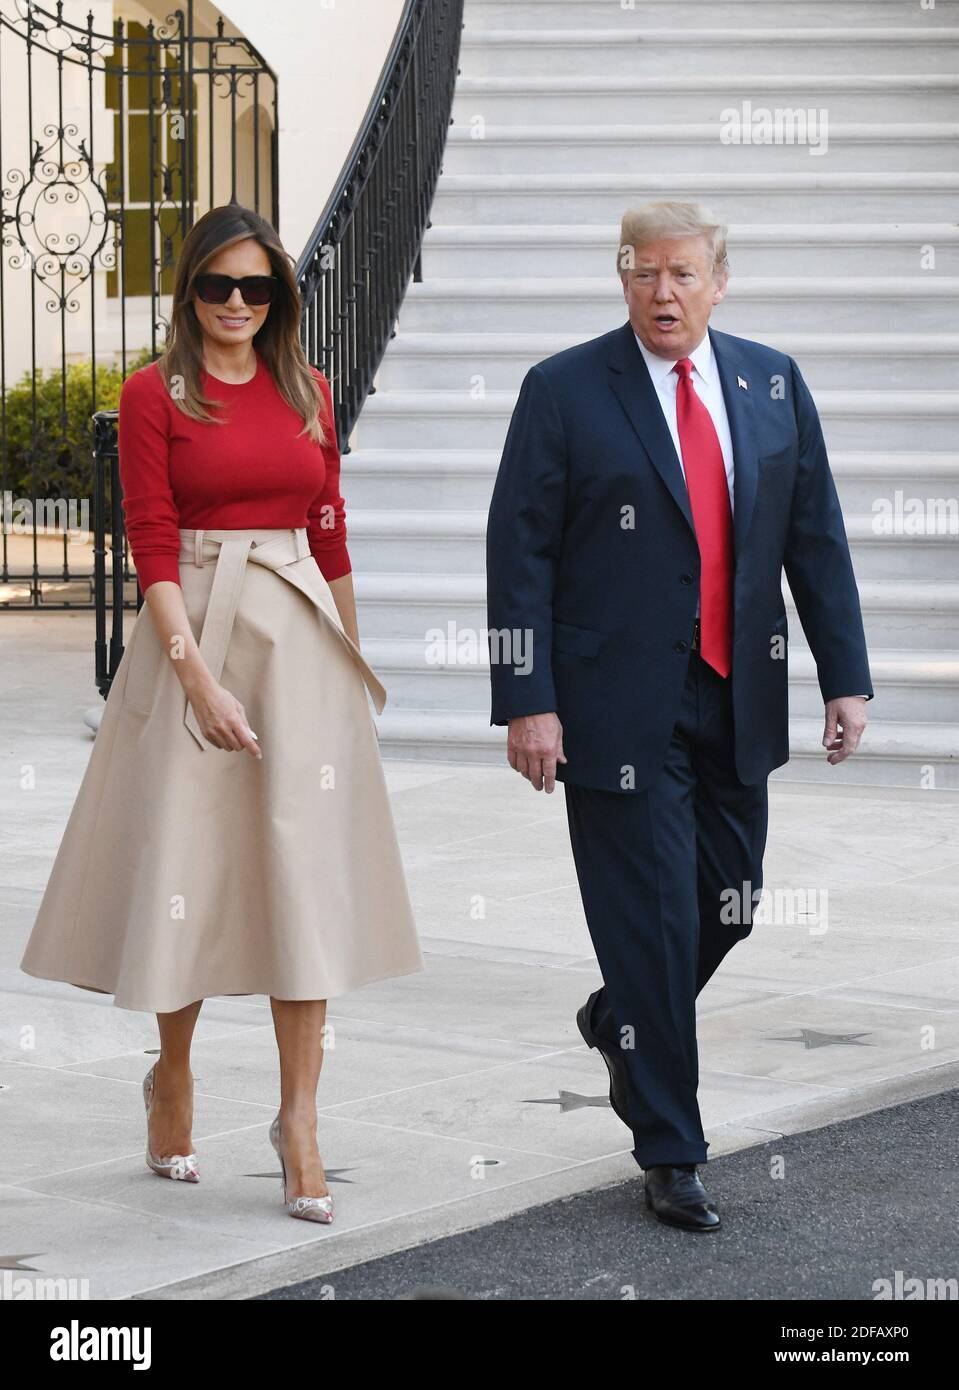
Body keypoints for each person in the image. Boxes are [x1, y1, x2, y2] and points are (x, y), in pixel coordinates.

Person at [20, 203, 423, 1224]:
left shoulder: (309, 391)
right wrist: (194, 676)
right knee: (185, 876)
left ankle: (298, 1120)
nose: (237, 304)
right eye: (217, 286)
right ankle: (173, 1074)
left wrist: (351, 664)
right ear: (189, 292)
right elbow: (150, 545)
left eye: (257, 287)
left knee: (303, 883)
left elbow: (328, 532)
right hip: (191, 627)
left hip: (299, 645)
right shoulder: (154, 396)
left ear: (277, 297)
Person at [486, 200, 873, 1231]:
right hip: (611, 703)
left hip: (734, 688)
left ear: (718, 279)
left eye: (682, 273)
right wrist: (526, 698)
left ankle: (621, 1017)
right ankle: (670, 1147)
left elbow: (815, 537)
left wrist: (846, 676)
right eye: (643, 272)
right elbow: (515, 554)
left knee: (731, 896)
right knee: (651, 918)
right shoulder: (564, 390)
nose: (663, 291)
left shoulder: (771, 382)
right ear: (621, 278)